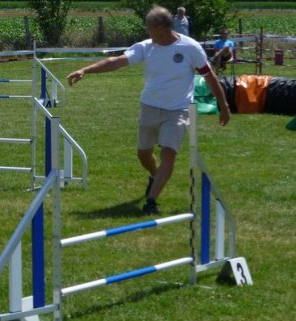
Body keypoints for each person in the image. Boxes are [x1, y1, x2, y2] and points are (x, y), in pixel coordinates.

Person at [67, 6, 230, 215]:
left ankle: (151, 200)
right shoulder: (146, 47)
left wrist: (223, 105)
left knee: (168, 154)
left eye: (149, 28)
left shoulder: (191, 48)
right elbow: (116, 62)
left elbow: (210, 77)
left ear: (162, 28)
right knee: (143, 154)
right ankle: (155, 176)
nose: (147, 31)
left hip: (178, 110)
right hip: (150, 107)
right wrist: (85, 70)